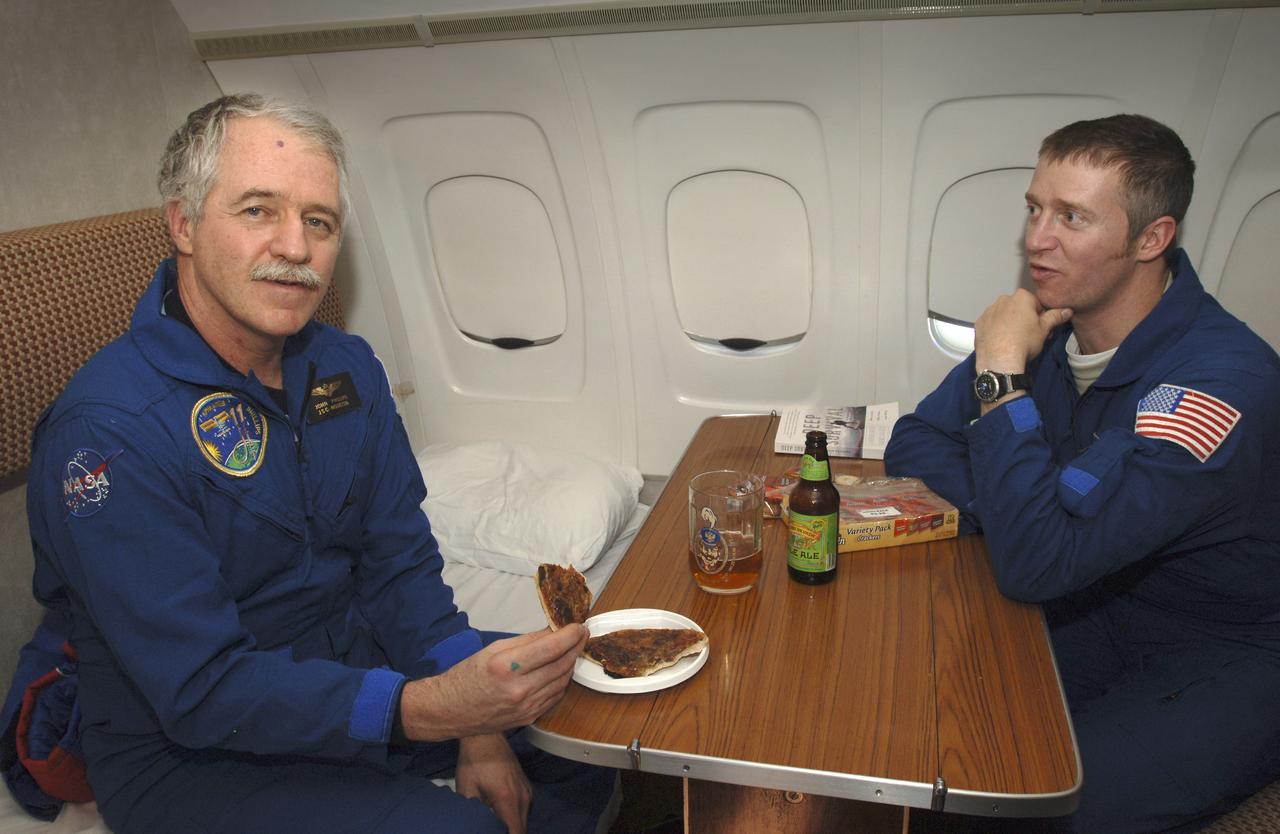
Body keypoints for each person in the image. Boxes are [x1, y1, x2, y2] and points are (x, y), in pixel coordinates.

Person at [25, 94, 613, 834]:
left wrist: (479, 722)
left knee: (592, 714)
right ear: (183, 223)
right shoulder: (109, 433)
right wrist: (432, 709)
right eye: (258, 211)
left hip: (352, 668)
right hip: (191, 750)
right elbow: (203, 689)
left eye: (319, 221)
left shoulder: (345, 369)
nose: (296, 248)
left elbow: (400, 565)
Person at [885, 114, 1280, 832]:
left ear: (1151, 239)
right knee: (925, 718)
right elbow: (915, 440)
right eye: (1036, 208)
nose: (1037, 239)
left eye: (1072, 217)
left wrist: (1001, 378)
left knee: (1045, 801)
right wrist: (1017, 508)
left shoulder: (1215, 389)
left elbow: (1035, 565)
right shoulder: (1051, 329)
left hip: (1225, 645)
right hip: (1094, 599)